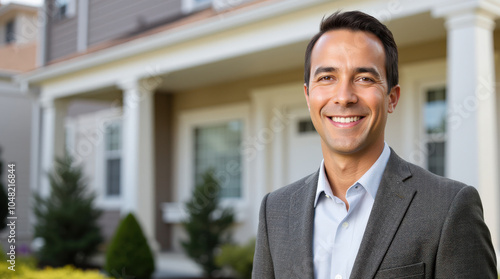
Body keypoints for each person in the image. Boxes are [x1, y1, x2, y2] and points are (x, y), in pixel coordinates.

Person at [252, 10, 497, 279]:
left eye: (364, 78)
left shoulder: (449, 207)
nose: (344, 97)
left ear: (392, 97)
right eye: (327, 78)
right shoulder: (274, 210)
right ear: (308, 96)